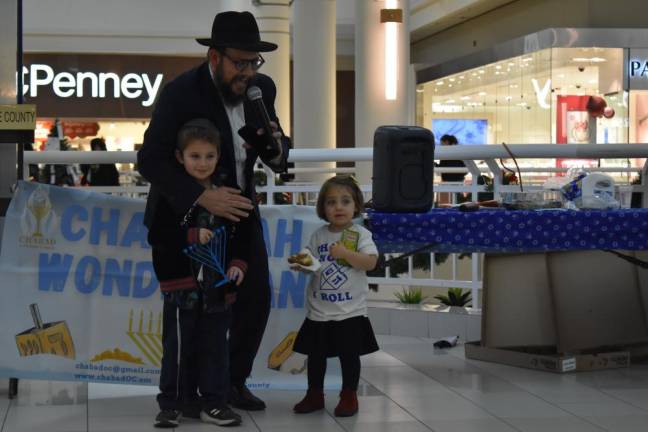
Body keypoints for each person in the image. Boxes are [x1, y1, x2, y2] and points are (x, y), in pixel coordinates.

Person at [137, 10, 290, 412]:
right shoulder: (181, 93)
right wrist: (202, 196)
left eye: (253, 62)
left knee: (254, 298)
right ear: (215, 58)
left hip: (239, 212)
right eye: (239, 62)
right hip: (185, 217)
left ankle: (230, 385)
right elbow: (150, 160)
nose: (247, 72)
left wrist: (278, 147)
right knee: (192, 310)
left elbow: (274, 144)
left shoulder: (262, 89)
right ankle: (186, 398)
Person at [150, 119, 248, 428]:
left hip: (217, 288)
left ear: (219, 155)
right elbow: (158, 235)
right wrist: (192, 236)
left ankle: (214, 403)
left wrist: (238, 264)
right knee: (178, 349)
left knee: (215, 348)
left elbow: (240, 234)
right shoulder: (169, 192)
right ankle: (172, 404)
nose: (203, 163)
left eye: (209, 156)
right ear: (180, 157)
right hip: (181, 288)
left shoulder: (228, 192)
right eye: (195, 156)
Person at [289, 175, 379, 417]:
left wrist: (345, 254)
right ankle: (314, 394)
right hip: (319, 311)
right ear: (322, 208)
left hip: (350, 311)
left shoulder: (361, 234)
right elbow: (311, 258)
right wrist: (302, 262)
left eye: (345, 201)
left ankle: (349, 394)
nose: (338, 207)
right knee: (315, 356)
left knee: (349, 355)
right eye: (331, 202)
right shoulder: (318, 235)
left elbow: (370, 262)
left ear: (356, 206)